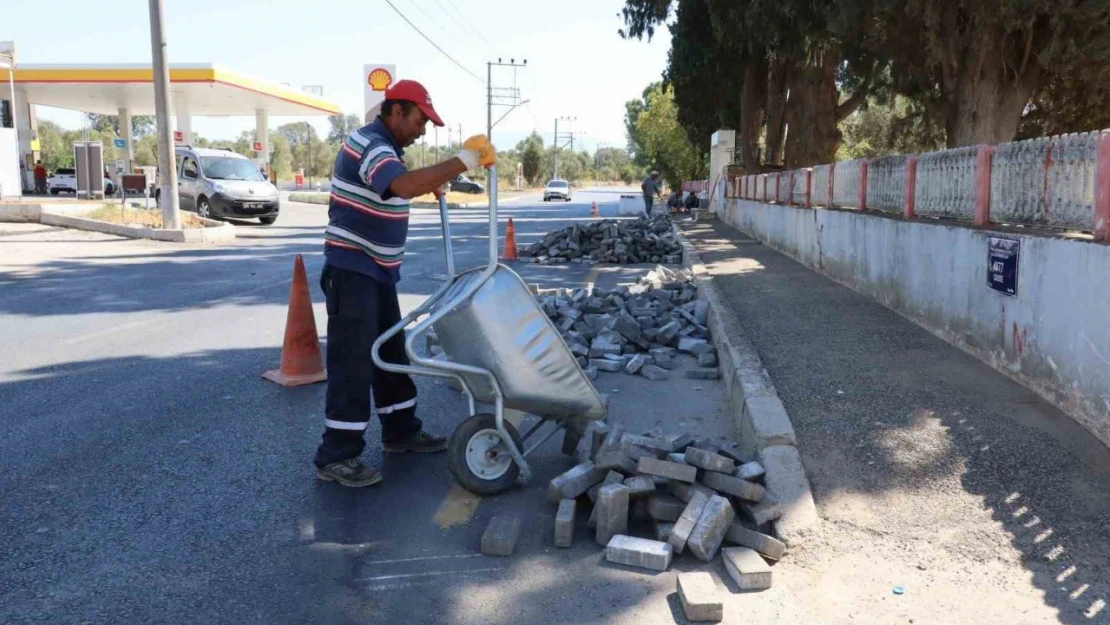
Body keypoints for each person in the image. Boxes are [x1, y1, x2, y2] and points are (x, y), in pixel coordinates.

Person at [314, 79, 497, 487]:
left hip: (374, 271)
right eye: (420, 120)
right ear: (396, 111)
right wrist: (463, 159)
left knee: (390, 352)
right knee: (353, 362)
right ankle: (336, 456)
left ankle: (400, 431)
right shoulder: (371, 143)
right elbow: (401, 185)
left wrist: (429, 180)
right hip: (353, 269)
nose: (423, 129)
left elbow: (399, 183)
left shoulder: (387, 149)